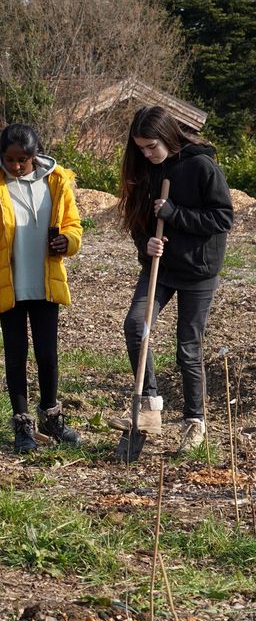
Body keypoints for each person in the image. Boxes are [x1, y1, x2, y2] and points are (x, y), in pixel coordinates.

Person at [114, 105, 233, 457]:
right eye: (141, 148)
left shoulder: (201, 166)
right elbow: (138, 222)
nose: (146, 154)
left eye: (151, 146)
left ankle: (195, 421)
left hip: (198, 268)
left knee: (188, 345)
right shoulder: (145, 170)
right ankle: (149, 405)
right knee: (136, 325)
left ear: (167, 137)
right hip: (161, 267)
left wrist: (174, 215)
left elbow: (222, 217)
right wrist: (146, 243)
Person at [0, 124, 83, 454]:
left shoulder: (57, 182)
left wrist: (69, 242)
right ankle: (22, 424)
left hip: (46, 283)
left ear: (36, 155)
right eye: (9, 159)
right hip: (10, 286)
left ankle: (51, 416)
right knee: (15, 356)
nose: (16, 166)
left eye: (23, 159)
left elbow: (73, 225)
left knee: (48, 356)